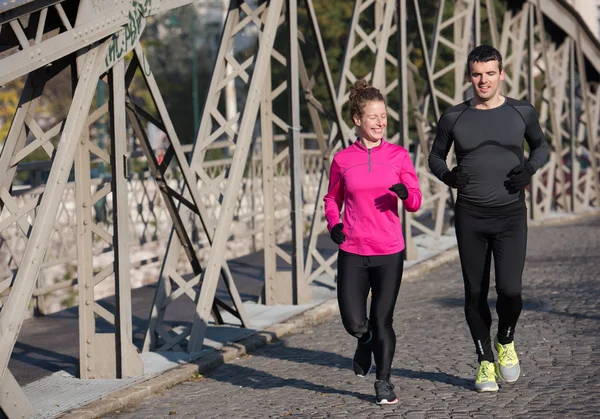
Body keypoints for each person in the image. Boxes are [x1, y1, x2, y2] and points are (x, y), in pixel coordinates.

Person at [428, 45, 549, 392]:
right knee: (474, 293)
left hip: (511, 215)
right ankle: (484, 363)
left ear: (501, 75)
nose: (483, 80)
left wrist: (529, 169)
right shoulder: (454, 117)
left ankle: (505, 340)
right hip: (471, 216)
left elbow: (541, 146)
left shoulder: (521, 111)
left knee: (510, 290)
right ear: (470, 76)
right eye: (477, 74)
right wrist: (448, 176)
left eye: (490, 73)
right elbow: (434, 157)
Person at [324, 79, 422, 404]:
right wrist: (334, 224)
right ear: (357, 120)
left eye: (383, 116)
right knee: (354, 320)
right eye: (373, 117)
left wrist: (406, 195)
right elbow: (331, 198)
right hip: (353, 250)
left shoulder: (398, 156)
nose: (380, 122)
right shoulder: (342, 160)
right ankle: (363, 340)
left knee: (383, 319)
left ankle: (383, 381)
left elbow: (416, 201)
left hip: (389, 251)